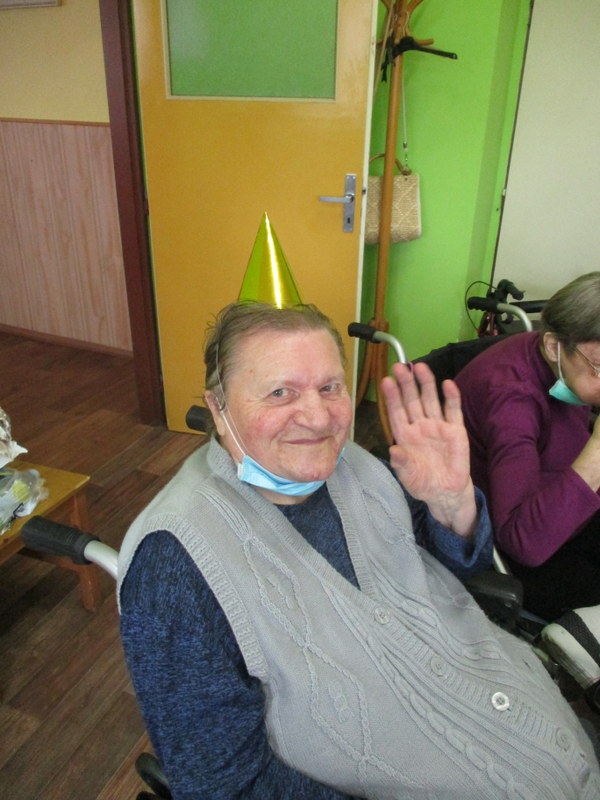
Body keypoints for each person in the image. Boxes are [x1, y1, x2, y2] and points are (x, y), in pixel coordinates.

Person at [118, 301, 600, 800]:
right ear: (218, 408)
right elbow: (226, 785)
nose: (318, 417)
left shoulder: (357, 466)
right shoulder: (174, 566)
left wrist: (452, 504)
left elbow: (461, 566)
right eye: (280, 392)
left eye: (330, 388)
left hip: (539, 725)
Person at [455, 272, 600, 623]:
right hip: (521, 546)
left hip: (568, 501)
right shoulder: (512, 400)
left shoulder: (564, 369)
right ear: (553, 346)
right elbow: (523, 542)